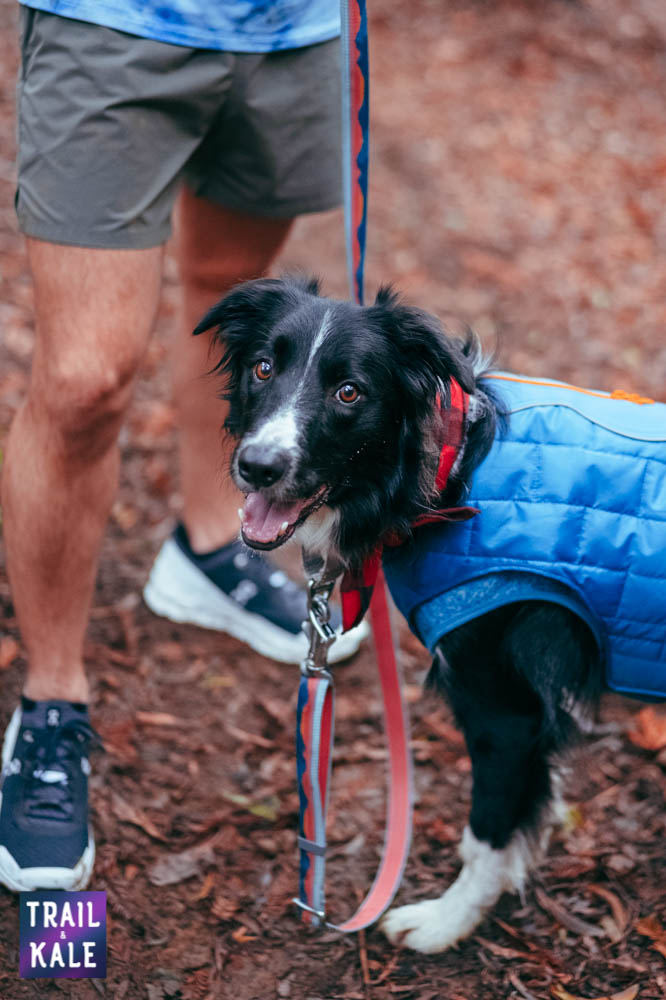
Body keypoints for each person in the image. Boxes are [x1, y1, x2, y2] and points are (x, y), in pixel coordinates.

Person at [0, 0, 367, 893]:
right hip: (115, 25)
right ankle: (51, 701)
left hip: (292, 33)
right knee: (84, 380)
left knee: (234, 305)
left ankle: (208, 548)